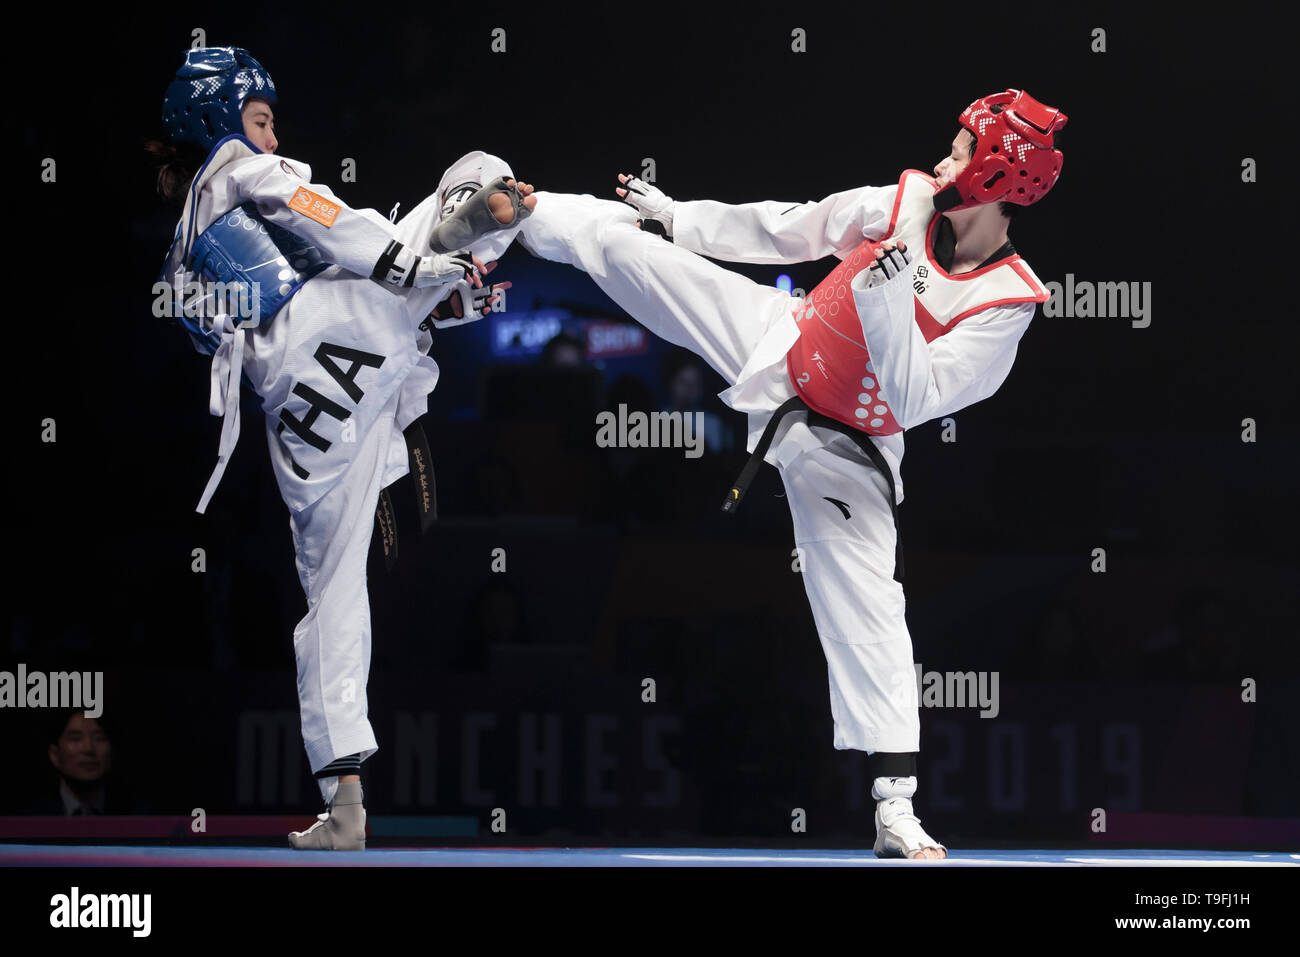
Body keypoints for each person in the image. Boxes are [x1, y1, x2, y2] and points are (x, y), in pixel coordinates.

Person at [518, 89, 1067, 858]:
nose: (946, 159)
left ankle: (896, 807)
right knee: (640, 257)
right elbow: (793, 224)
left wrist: (893, 271)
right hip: (783, 341)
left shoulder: (1007, 300)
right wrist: (682, 218)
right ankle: (520, 208)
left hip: (850, 443)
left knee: (871, 603)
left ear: (1001, 177)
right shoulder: (903, 198)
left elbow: (915, 396)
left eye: (963, 150)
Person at [149, 47, 536, 849]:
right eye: (260, 120)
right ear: (218, 122)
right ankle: (470, 247)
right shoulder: (233, 165)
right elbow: (309, 207)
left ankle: (345, 801)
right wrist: (408, 263)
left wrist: (416, 278)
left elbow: (207, 326)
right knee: (477, 174)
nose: (270, 136)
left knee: (330, 594)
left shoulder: (182, 240)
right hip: (340, 328)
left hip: (300, 411)